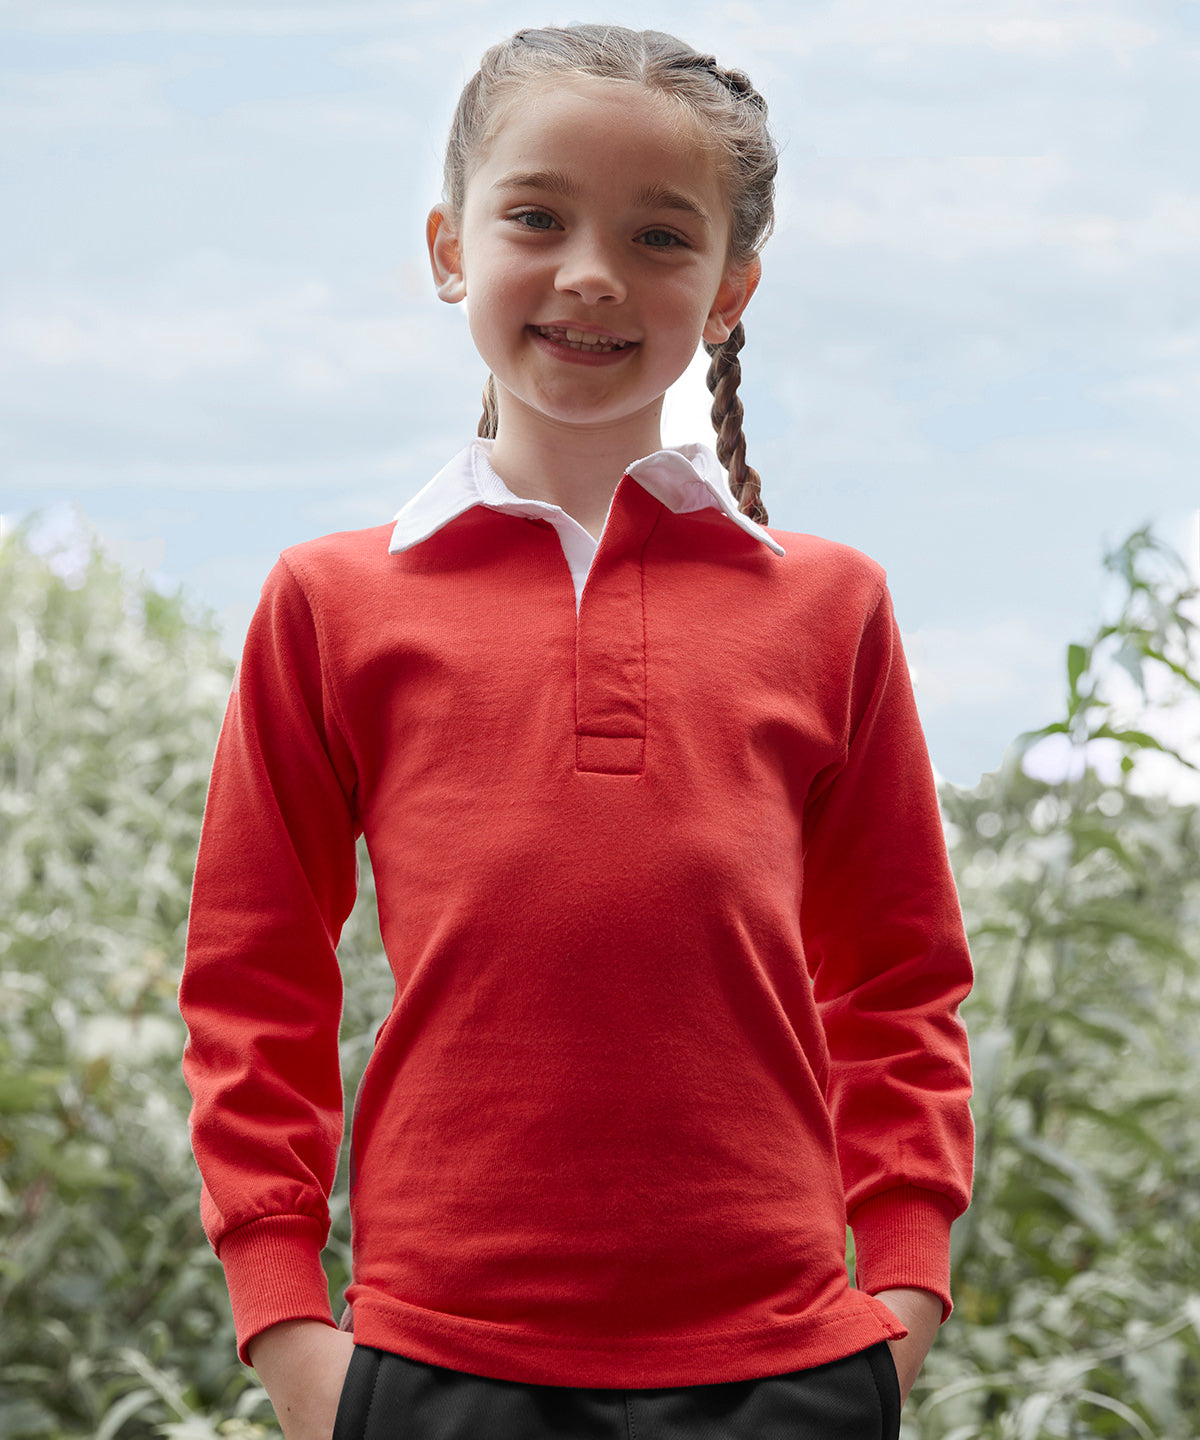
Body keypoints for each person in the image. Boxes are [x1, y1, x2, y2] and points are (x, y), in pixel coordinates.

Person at [179, 23, 974, 1440]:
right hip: (432, 1368)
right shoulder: (330, 602)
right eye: (537, 217)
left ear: (729, 291)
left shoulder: (832, 607)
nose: (593, 271)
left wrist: (900, 1300)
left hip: (786, 1371)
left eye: (661, 236)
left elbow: (900, 980)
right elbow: (255, 982)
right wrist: (289, 1329)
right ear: (448, 247)